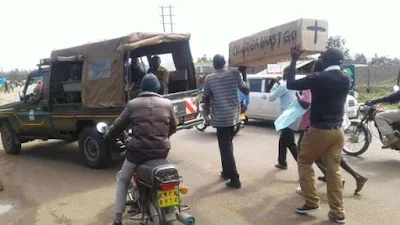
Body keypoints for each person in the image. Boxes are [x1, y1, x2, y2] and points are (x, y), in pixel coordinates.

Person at [287, 47, 349, 224]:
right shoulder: (346, 77)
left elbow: (291, 83)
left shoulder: (318, 78)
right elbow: (336, 63)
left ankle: (312, 202)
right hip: (338, 131)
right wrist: (329, 53)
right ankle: (338, 213)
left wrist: (294, 60)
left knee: (305, 162)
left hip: (319, 130)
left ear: (326, 61)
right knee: (334, 170)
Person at [105, 73, 177, 225]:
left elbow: (118, 126)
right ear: (158, 87)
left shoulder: (133, 104)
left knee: (123, 179)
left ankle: (118, 218)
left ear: (142, 88)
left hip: (137, 153)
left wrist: (108, 135)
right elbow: (173, 128)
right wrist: (162, 138)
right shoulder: (167, 104)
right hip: (162, 151)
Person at [296, 60, 368, 196]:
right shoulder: (334, 81)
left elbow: (306, 103)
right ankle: (355, 177)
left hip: (313, 124)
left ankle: (311, 193)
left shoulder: (313, 83)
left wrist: (297, 97)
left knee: (306, 156)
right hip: (334, 124)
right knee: (333, 156)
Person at [203, 55, 249, 189]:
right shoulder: (235, 74)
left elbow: (205, 97)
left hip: (221, 119)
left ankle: (235, 178)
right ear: (224, 64)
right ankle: (226, 171)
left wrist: (206, 114)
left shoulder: (209, 79)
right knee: (227, 146)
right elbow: (246, 89)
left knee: (225, 148)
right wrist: (244, 73)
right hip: (234, 118)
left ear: (214, 64)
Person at [269, 67, 299, 169]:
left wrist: (275, 85)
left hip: (287, 116)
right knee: (283, 141)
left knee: (291, 144)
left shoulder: (284, 85)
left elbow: (271, 98)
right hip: (293, 114)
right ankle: (282, 162)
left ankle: (303, 166)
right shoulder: (296, 84)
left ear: (285, 74)